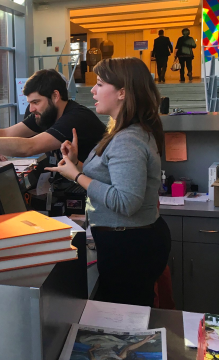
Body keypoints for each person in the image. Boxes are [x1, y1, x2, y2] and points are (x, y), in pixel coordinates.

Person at [45, 57, 171, 307]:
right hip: (126, 242)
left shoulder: (128, 140)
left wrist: (77, 176)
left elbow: (126, 202)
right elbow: (113, 178)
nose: (92, 90)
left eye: (100, 84)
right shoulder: (123, 132)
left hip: (130, 247)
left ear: (122, 92)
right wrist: (76, 163)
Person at [0, 69, 106, 164]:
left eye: (36, 102)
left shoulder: (75, 118)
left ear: (55, 96)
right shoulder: (46, 112)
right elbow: (7, 133)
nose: (31, 109)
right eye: (30, 102)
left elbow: (29, 147)